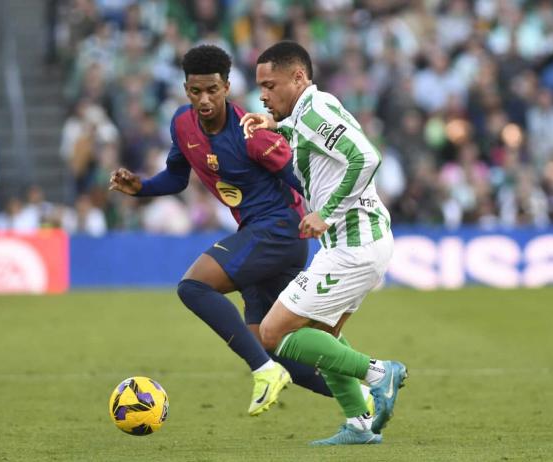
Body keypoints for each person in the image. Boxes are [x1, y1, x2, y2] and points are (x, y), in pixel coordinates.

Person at [109, 44, 347, 416]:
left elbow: (303, 179)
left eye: (212, 91)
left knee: (193, 286)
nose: (203, 100)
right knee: (272, 344)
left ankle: (265, 373)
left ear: (227, 87)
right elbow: (176, 175)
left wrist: (334, 215)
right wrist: (142, 188)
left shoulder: (251, 133)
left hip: (280, 231)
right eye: (195, 91)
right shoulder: (182, 124)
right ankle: (368, 389)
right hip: (258, 234)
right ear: (186, 89)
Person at [241, 41, 407, 445]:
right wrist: (275, 124)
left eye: (270, 84)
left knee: (273, 333)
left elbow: (366, 157)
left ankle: (380, 373)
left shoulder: (314, 111)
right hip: (357, 243)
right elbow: (316, 138)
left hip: (353, 244)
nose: (262, 94)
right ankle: (360, 424)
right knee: (321, 335)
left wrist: (326, 212)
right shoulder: (308, 112)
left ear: (298, 78)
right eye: (260, 86)